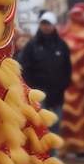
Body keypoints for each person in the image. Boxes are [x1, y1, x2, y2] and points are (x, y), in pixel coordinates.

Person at [19, 11, 72, 155]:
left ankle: (52, 156)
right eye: (43, 23)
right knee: (39, 127)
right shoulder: (32, 45)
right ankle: (39, 157)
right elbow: (24, 67)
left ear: (53, 25)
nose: (46, 27)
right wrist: (31, 89)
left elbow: (67, 69)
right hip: (39, 96)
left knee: (54, 128)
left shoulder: (61, 46)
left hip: (57, 95)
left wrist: (62, 85)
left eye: (48, 24)